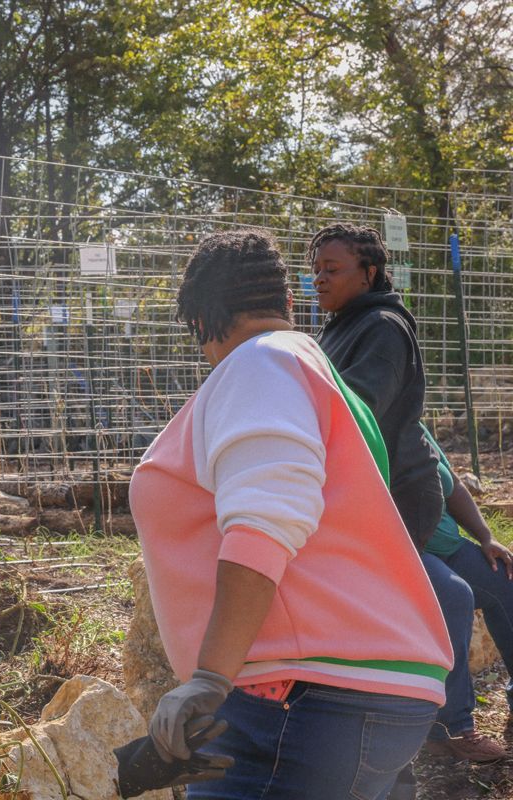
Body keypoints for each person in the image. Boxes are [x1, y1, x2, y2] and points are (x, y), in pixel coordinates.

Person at [130, 230, 452, 798]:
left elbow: (265, 522)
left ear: (204, 316)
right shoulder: (311, 369)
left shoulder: (261, 364)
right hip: (346, 694)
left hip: (297, 698)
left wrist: (209, 677)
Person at [311, 223, 442, 550]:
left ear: (368, 274)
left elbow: (357, 409)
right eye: (315, 269)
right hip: (365, 487)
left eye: (332, 269)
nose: (319, 278)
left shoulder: (383, 327)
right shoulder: (338, 326)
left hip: (400, 492)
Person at [418, 423, 513, 761]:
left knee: (505, 578)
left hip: (450, 546)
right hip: (409, 550)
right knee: (454, 596)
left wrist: (486, 536)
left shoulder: (414, 423)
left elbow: (453, 484)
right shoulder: (372, 421)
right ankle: (452, 730)